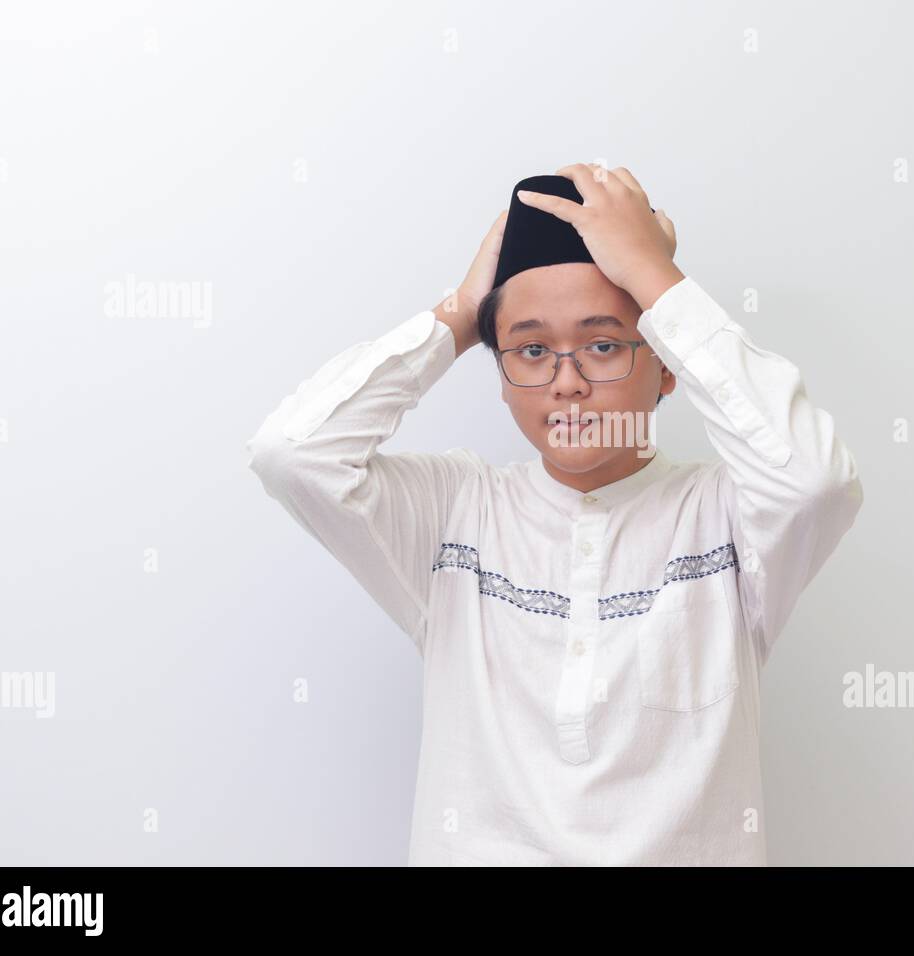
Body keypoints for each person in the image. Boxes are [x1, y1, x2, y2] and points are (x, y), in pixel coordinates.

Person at [245, 162, 864, 865]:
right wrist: (460, 312)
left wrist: (658, 280)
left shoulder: (726, 521)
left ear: (668, 366)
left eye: (603, 345)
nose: (566, 383)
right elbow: (290, 452)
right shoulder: (455, 515)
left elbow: (815, 481)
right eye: (532, 350)